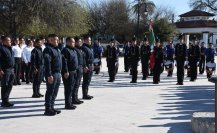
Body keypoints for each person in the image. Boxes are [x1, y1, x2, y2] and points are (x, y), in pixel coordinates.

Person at [43, 34, 62, 116]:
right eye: (55, 40)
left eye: (57, 40)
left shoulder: (57, 49)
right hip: (52, 74)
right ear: (50, 40)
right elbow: (47, 63)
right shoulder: (48, 50)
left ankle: (52, 107)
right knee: (50, 91)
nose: (57, 41)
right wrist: (49, 75)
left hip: (58, 73)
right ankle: (47, 109)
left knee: (55, 91)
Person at [61, 37, 78, 110]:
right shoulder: (65, 50)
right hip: (68, 72)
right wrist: (65, 71)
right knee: (68, 88)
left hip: (74, 71)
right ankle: (67, 104)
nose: (73, 43)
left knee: (72, 88)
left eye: (74, 42)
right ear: (67, 42)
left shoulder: (73, 50)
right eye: (72, 42)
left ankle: (70, 103)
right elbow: (64, 62)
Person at [0, 36, 15, 107]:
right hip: (5, 70)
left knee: (10, 85)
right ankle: (4, 101)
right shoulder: (1, 49)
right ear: (4, 41)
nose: (10, 42)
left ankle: (7, 99)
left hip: (11, 69)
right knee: (5, 85)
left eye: (10, 40)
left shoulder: (10, 48)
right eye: (8, 41)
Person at [82, 36, 94, 100]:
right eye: (88, 40)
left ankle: (86, 93)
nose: (90, 41)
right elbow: (83, 58)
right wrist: (85, 66)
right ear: (85, 40)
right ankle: (84, 94)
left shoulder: (89, 48)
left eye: (90, 40)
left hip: (90, 65)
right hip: (87, 66)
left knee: (88, 80)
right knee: (86, 80)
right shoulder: (84, 48)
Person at [73, 37, 84, 104]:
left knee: (77, 84)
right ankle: (74, 98)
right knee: (75, 84)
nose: (80, 43)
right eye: (79, 41)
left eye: (81, 41)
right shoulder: (75, 50)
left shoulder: (80, 49)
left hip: (80, 68)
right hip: (77, 69)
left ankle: (76, 98)